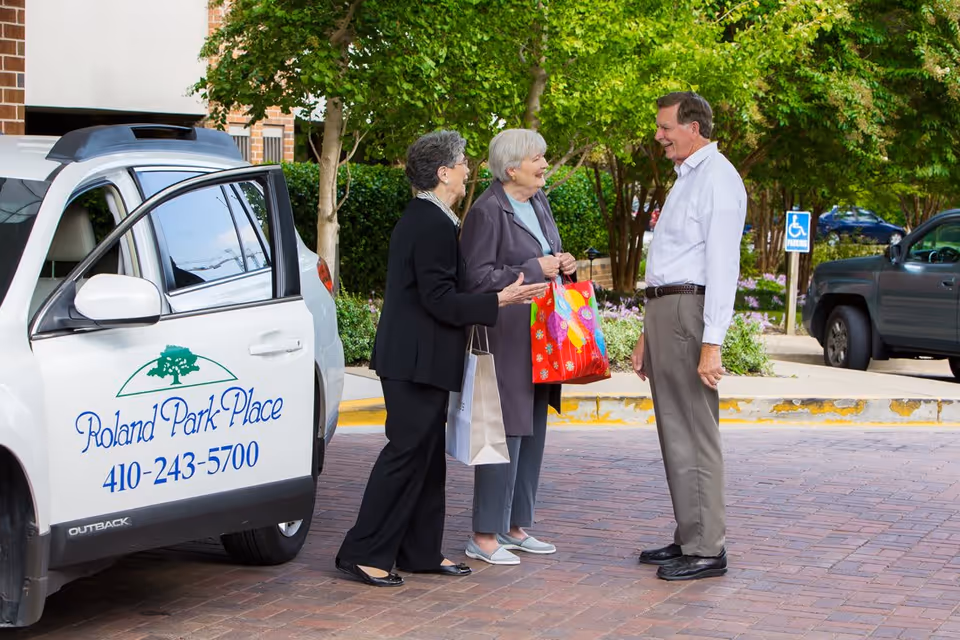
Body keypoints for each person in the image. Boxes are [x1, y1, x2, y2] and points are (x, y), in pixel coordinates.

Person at [335, 130, 547, 587]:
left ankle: (420, 551)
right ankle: (363, 552)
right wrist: (499, 301)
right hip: (413, 361)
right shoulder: (428, 221)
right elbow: (438, 298)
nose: (469, 169)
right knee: (406, 454)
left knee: (429, 460)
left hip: (423, 360)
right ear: (443, 172)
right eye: (463, 163)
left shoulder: (434, 217)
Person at [631, 91, 747, 581]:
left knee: (695, 430)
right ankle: (690, 535)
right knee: (674, 430)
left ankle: (707, 548)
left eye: (665, 128)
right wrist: (645, 331)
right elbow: (671, 259)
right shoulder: (689, 177)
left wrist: (713, 341)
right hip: (667, 308)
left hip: (689, 310)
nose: (659, 136)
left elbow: (722, 265)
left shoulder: (718, 178)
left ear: (693, 127)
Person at [459, 128, 578, 565]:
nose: (545, 165)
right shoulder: (487, 211)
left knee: (533, 429)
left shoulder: (538, 202)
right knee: (503, 432)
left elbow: (551, 256)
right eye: (537, 159)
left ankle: (514, 526)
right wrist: (533, 267)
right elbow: (474, 279)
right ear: (511, 169)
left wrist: (563, 263)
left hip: (543, 335)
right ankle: (484, 535)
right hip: (506, 337)